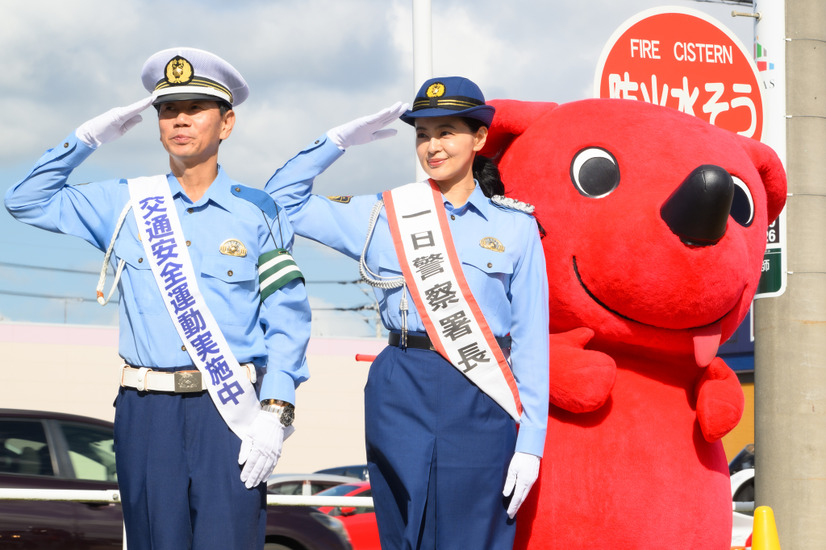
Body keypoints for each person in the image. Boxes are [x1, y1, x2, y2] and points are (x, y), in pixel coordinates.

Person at [4, 47, 310, 549]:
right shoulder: (124, 202)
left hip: (227, 409)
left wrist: (277, 408)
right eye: (167, 109)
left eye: (194, 108)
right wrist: (90, 136)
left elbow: (287, 316)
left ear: (226, 123)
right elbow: (25, 200)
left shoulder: (259, 211)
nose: (179, 120)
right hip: (146, 414)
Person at [266, 76, 549, 549]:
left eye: (446, 132)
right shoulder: (382, 214)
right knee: (402, 531)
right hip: (400, 382)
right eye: (422, 134)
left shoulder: (515, 226)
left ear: (479, 139)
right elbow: (280, 201)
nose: (432, 146)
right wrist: (336, 142)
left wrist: (531, 442)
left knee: (475, 533)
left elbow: (532, 341)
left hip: (481, 389)